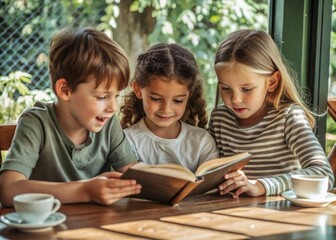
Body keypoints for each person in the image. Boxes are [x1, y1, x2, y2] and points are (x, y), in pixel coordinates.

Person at [0, 27, 141, 207]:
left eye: (116, 96)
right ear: (65, 90)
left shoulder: (107, 123)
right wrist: (85, 191)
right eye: (101, 97)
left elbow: (135, 176)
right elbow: (7, 189)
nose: (113, 107)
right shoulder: (36, 123)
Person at [209, 29, 335, 198]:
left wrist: (262, 186)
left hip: (279, 214)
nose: (236, 99)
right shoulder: (220, 118)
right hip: (226, 212)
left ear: (272, 82)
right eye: (225, 89)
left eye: (246, 89)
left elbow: (323, 174)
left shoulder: (288, 117)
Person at [120, 43, 218, 173]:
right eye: (156, 99)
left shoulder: (202, 141)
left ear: (189, 95)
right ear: (138, 90)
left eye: (178, 100)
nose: (166, 109)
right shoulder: (127, 141)